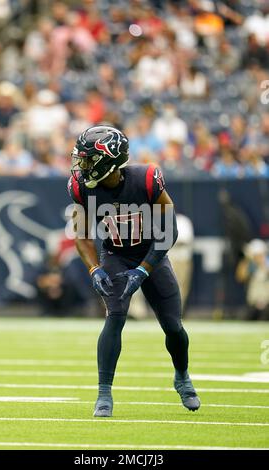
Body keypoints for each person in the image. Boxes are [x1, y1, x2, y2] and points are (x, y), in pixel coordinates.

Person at [68, 125, 200, 417]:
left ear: (109, 158)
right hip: (115, 255)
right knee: (115, 317)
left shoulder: (147, 179)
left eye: (88, 159)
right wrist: (93, 269)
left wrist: (144, 269)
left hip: (152, 255)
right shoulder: (81, 188)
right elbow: (81, 236)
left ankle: (182, 375)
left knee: (173, 325)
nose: (82, 166)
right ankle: (104, 393)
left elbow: (170, 230)